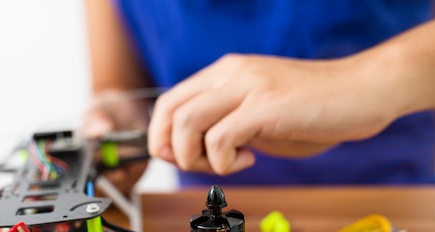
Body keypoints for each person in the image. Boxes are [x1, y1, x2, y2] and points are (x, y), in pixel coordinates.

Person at [81, 0, 435, 188]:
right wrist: (118, 124)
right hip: (207, 217)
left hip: (403, 199)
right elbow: (121, 88)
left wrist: (356, 82)